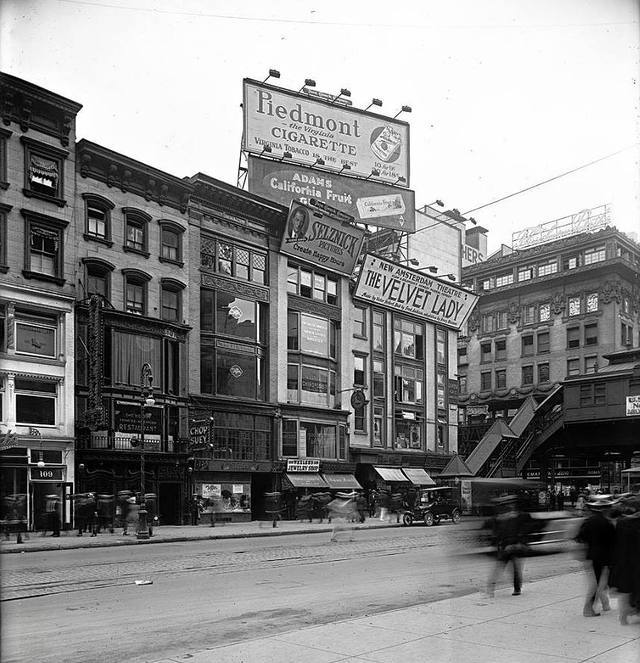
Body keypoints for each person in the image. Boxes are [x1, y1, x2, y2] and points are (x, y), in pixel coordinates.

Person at [575, 498, 616, 617]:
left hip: (591, 555)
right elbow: (613, 541)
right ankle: (588, 609)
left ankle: (604, 604)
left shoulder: (588, 521)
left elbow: (579, 538)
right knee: (598, 583)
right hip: (604, 556)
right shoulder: (607, 523)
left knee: (598, 581)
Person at [487, 495, 533, 597]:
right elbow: (498, 531)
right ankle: (492, 587)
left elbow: (524, 530)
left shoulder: (518, 516)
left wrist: (520, 543)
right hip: (508, 546)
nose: (510, 505)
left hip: (514, 546)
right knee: (502, 567)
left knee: (511, 568)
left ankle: (514, 588)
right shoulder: (505, 517)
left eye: (511, 503)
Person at [609, 496, 640, 625]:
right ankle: (635, 610)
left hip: (623, 560)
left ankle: (623, 617)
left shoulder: (621, 523)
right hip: (637, 559)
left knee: (624, 589)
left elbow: (616, 543)